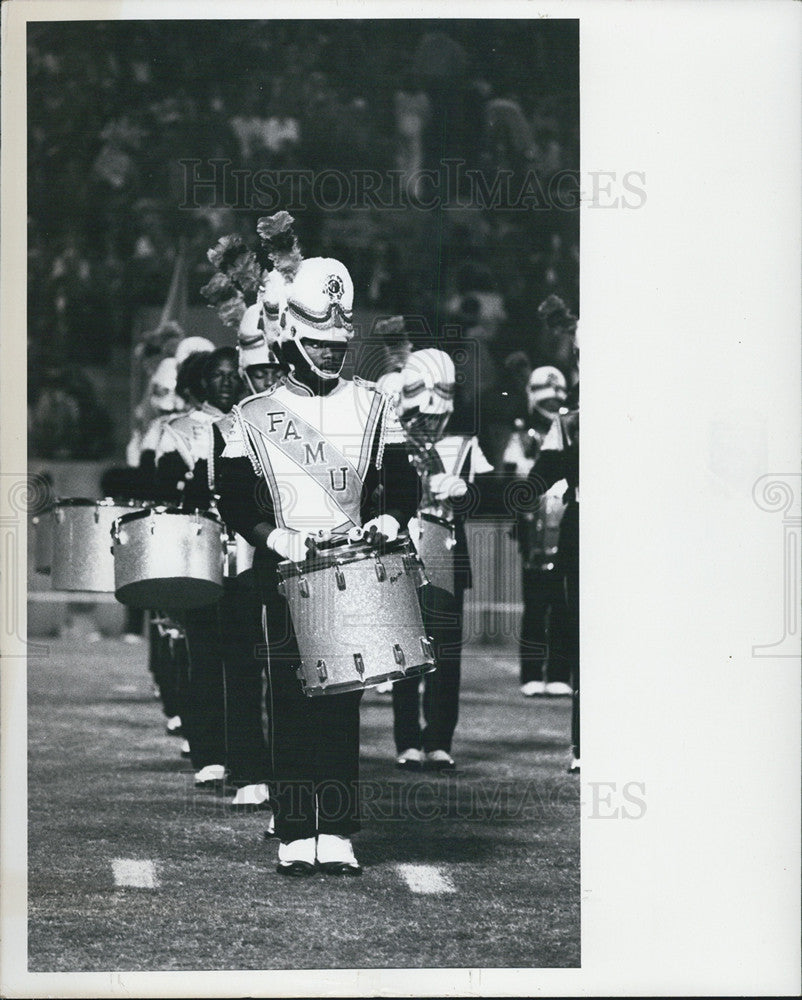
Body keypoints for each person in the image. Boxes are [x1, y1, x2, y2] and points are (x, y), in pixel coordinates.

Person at [216, 252, 420, 877]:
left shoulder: (371, 405)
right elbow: (234, 499)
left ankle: (336, 828)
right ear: (292, 340)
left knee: (342, 701)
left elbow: (400, 481)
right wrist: (274, 538)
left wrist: (394, 517)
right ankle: (295, 828)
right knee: (290, 697)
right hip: (287, 570)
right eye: (319, 343)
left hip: (351, 569)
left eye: (337, 343)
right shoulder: (251, 417)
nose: (331, 353)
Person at [392, 348, 493, 771]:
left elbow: (492, 498)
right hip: (402, 549)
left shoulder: (464, 445)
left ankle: (438, 739)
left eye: (437, 415)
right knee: (403, 651)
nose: (430, 422)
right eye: (424, 415)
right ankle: (407, 740)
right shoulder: (394, 441)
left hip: (448, 549)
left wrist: (463, 492)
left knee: (446, 654)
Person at [154, 347, 242, 787]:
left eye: (234, 374)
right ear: (203, 381)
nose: (227, 381)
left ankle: (247, 755)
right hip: (199, 554)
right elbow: (169, 496)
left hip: (247, 554)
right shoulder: (178, 431)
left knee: (245, 660)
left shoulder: (251, 422)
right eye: (218, 375)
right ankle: (209, 753)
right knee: (204, 655)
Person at [502, 366, 573, 698]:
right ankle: (531, 671)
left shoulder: (570, 428)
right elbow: (513, 479)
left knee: (562, 604)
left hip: (565, 523)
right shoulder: (523, 436)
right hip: (536, 528)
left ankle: (558, 671)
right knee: (535, 604)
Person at [528, 384, 579, 772]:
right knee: (578, 626)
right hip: (582, 522)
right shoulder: (571, 420)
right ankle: (584, 743)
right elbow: (542, 474)